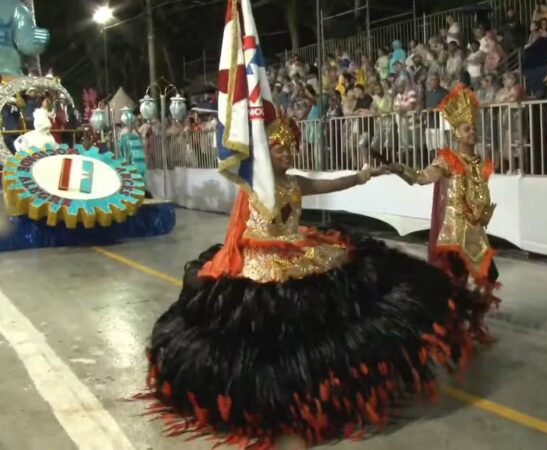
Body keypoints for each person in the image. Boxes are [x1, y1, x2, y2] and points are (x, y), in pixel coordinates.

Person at [140, 115, 487, 448]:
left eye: (290, 149)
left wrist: (361, 176)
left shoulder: (294, 182)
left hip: (298, 248)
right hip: (262, 258)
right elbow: (235, 158)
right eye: (279, 149)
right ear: (265, 153)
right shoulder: (254, 182)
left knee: (357, 269)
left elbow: (329, 184)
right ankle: (280, 403)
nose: (287, 154)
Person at [389, 85, 500, 344]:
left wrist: (483, 212)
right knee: (456, 284)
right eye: (466, 129)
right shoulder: (448, 160)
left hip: (475, 235)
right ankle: (450, 327)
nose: (471, 132)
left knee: (488, 278)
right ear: (456, 133)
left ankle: (471, 323)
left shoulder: (481, 164)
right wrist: (399, 168)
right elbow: (423, 177)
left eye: (473, 128)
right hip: (453, 236)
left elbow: (482, 197)